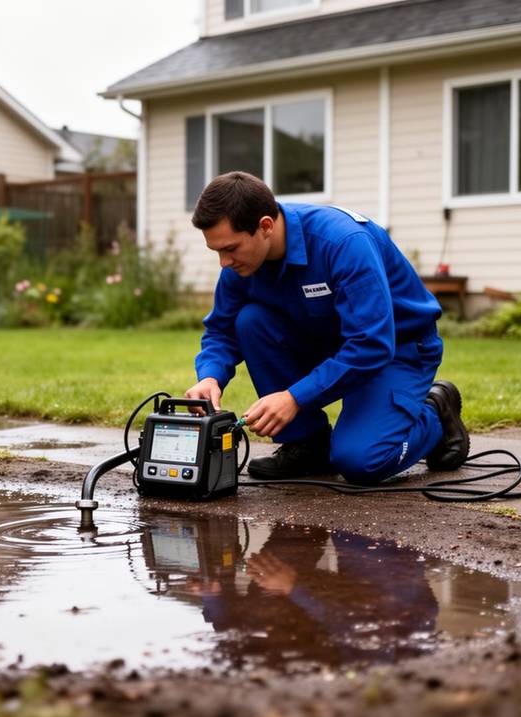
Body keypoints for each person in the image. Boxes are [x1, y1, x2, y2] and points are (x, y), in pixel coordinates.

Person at [184, 171, 468, 484]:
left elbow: (371, 344)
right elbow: (222, 331)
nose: (224, 263)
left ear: (265, 226)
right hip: (329, 340)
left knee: (361, 461)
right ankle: (307, 444)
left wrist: (294, 398)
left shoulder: (343, 243)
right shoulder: (242, 265)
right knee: (251, 321)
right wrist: (210, 376)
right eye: (217, 251)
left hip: (397, 348)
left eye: (231, 248)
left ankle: (436, 411)